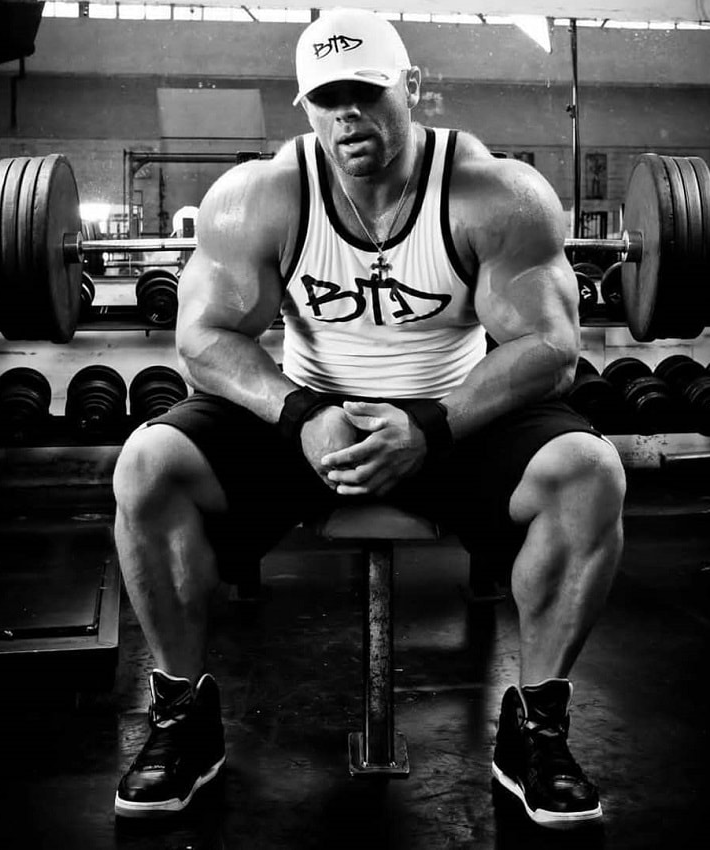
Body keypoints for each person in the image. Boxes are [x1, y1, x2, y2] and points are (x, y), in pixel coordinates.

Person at [111, 7, 626, 831]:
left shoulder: (494, 195)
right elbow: (202, 337)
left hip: (453, 426)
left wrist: (429, 426)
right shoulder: (259, 198)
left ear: (412, 88)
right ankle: (181, 716)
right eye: (328, 99)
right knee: (146, 465)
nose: (349, 116)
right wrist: (301, 414)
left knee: (590, 474)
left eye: (367, 94)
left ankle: (536, 723)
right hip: (303, 424)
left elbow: (551, 347)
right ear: (305, 107)